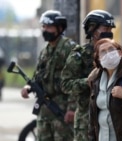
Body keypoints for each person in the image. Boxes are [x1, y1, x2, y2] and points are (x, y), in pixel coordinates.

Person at [20, 10, 77, 141]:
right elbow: (37, 76)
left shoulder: (69, 48)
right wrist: (27, 88)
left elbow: (75, 79)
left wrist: (72, 108)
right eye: (43, 27)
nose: (45, 30)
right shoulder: (45, 51)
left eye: (49, 27)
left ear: (60, 28)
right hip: (44, 110)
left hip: (62, 109)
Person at [60, 10, 116, 141]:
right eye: (105, 28)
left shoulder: (115, 54)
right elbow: (65, 84)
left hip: (110, 120)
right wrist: (87, 82)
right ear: (92, 29)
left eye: (110, 28)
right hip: (86, 121)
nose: (109, 32)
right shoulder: (79, 55)